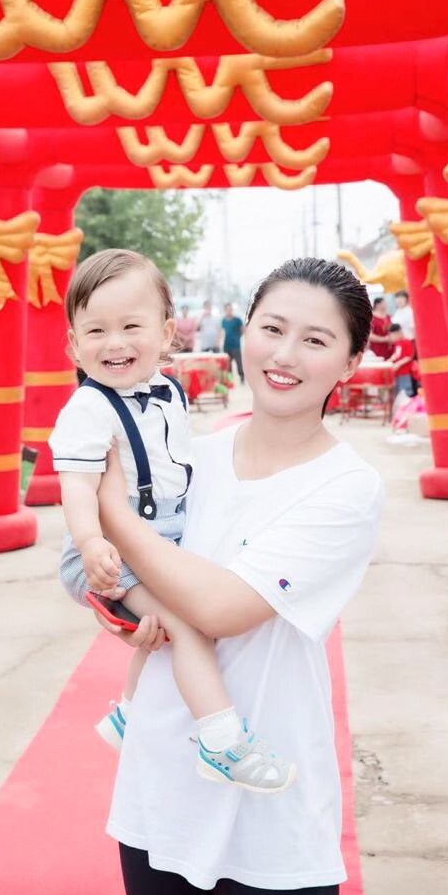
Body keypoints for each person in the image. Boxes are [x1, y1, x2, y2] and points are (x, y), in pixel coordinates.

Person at [90, 257, 383, 895]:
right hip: (159, 783)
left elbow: (222, 608)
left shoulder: (347, 488)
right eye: (272, 329)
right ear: (242, 332)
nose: (284, 356)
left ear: (348, 363)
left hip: (269, 807)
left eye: (315, 341)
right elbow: (115, 579)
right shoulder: (188, 457)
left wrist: (103, 505)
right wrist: (122, 603)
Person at [50, 249, 295, 791]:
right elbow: (76, 486)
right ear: (73, 344)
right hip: (106, 549)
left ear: (166, 335)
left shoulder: (168, 392)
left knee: (163, 628)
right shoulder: (87, 411)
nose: (114, 343)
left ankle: (127, 715)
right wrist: (91, 543)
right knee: (188, 627)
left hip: (160, 538)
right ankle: (222, 743)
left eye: (131, 326)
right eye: (95, 331)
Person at [388, 322, 414, 395]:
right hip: (397, 373)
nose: (392, 338)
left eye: (392, 336)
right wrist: (390, 360)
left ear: (398, 333)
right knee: (398, 392)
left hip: (404, 372)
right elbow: (396, 354)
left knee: (405, 392)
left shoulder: (407, 342)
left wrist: (398, 364)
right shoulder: (397, 343)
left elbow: (409, 357)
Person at [221, 302, 244, 383]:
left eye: (230, 309)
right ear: (225, 310)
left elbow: (242, 330)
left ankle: (242, 377)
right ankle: (230, 380)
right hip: (226, 346)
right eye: (227, 309)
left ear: (232, 310)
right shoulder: (223, 320)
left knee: (239, 362)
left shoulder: (238, 320)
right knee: (228, 364)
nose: (229, 311)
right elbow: (222, 332)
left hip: (236, 345)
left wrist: (237, 337)